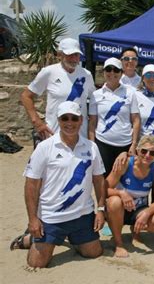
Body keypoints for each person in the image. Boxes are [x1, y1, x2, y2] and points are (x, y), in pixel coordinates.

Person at [10, 101, 106, 268]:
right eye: (65, 119)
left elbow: (98, 180)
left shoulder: (91, 147)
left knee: (93, 253)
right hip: (51, 217)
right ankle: (30, 239)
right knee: (36, 263)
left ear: (81, 120)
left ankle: (71, 237)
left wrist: (100, 210)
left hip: (81, 215)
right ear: (59, 120)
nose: (70, 123)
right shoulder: (44, 148)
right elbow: (31, 184)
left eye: (74, 119)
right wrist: (33, 219)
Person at [21, 38, 95, 142]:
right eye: (70, 55)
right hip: (53, 135)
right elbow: (26, 96)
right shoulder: (48, 72)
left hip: (80, 136)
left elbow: (94, 101)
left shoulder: (86, 75)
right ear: (60, 55)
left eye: (76, 55)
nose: (74, 58)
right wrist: (37, 122)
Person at [105, 135, 154, 257]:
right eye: (144, 151)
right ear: (137, 150)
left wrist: (147, 213)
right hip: (119, 208)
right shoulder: (125, 164)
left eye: (152, 153)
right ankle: (118, 243)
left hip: (138, 209)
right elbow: (104, 189)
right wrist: (121, 193)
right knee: (114, 202)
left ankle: (136, 231)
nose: (147, 155)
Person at [88, 57, 141, 176]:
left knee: (125, 181)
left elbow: (136, 120)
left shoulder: (130, 93)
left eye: (116, 70)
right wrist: (92, 146)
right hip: (103, 144)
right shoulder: (96, 95)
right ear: (104, 72)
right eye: (108, 69)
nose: (112, 73)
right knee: (104, 180)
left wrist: (134, 144)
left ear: (121, 73)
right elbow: (92, 123)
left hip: (125, 144)